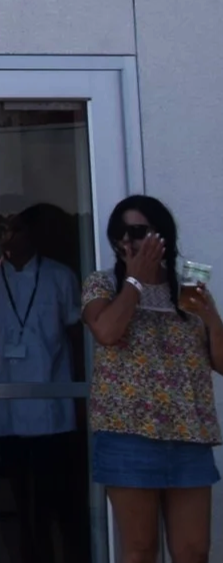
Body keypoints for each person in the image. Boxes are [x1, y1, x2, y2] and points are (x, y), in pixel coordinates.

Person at [81, 195, 223, 563]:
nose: (127, 240)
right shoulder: (103, 285)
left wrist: (213, 321)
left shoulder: (188, 290)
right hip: (129, 434)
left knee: (193, 551)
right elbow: (107, 332)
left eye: (138, 231)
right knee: (140, 549)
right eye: (120, 233)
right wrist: (135, 282)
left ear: (162, 235)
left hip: (189, 434)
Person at [0, 206, 84, 563]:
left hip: (52, 405)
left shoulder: (60, 278)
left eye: (13, 230)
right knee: (14, 503)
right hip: (4, 407)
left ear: (31, 234)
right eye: (1, 231)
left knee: (54, 499)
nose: (6, 238)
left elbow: (76, 338)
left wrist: (80, 394)